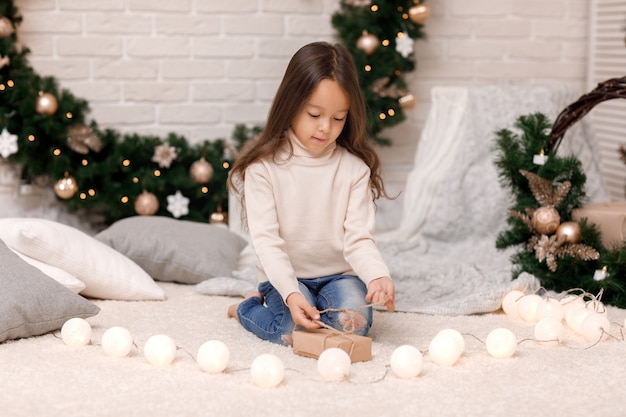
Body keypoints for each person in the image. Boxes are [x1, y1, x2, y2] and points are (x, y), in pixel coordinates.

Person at [226, 41, 395, 346]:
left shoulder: (354, 170)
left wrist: (377, 276)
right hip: (285, 277)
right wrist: (290, 293)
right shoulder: (263, 169)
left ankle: (303, 308)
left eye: (338, 118)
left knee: (353, 326)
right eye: (314, 114)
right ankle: (246, 308)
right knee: (291, 330)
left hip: (339, 276)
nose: (325, 128)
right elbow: (267, 242)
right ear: (291, 105)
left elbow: (358, 239)